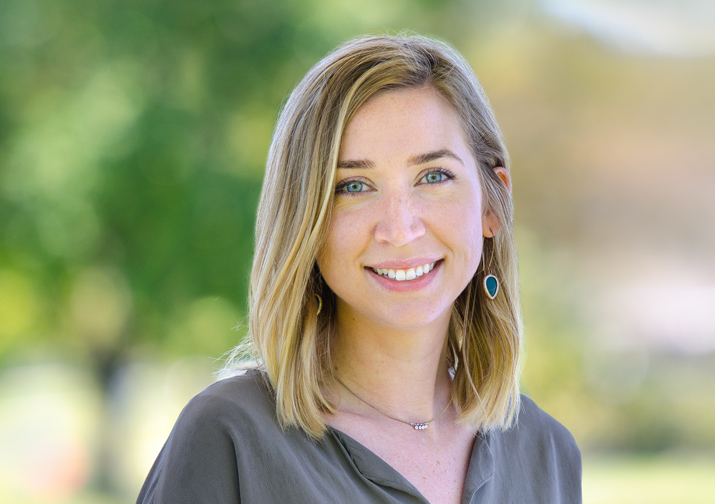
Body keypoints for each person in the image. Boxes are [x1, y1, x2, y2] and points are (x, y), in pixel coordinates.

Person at [137, 33, 581, 504]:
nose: (399, 229)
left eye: (433, 176)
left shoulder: (547, 452)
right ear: (303, 219)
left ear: (492, 203)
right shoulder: (230, 437)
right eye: (353, 186)